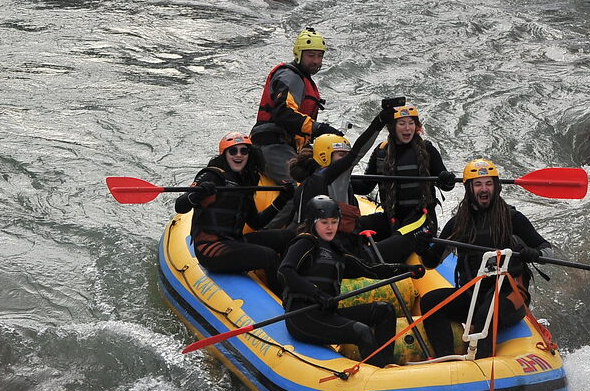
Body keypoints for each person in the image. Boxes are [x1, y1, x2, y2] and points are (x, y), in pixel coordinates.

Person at [419, 157, 550, 359]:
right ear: (469, 188)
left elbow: (548, 249)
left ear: (496, 187)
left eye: (489, 184)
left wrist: (536, 253)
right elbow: (431, 262)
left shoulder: (513, 219)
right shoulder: (457, 224)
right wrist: (421, 246)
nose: (484, 189)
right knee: (430, 301)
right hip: (473, 295)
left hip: (509, 296)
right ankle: (444, 357)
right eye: (478, 184)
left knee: (484, 315)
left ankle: (482, 363)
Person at [279, 196, 422, 367]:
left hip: (327, 313)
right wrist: (317, 294)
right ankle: (377, 374)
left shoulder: (336, 251)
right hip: (303, 317)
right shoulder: (305, 243)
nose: (330, 227)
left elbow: (371, 269)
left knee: (384, 310)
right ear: (313, 222)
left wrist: (406, 270)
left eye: (334, 222)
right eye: (324, 222)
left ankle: (386, 364)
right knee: (362, 332)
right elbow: (285, 271)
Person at [175, 132, 296, 281]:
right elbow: (180, 206)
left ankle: (292, 281)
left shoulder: (245, 182)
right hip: (210, 249)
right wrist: (196, 195)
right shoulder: (211, 176)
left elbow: (256, 223)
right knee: (269, 256)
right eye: (233, 151)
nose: (238, 155)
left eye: (244, 151)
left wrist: (282, 199)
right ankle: (285, 299)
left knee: (290, 237)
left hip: (235, 241)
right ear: (224, 154)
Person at [362, 99, 455, 263]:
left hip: (421, 222)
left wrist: (446, 179)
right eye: (402, 123)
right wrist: (339, 174)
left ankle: (365, 260)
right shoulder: (381, 152)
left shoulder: (427, 150)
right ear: (392, 127)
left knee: (373, 254)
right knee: (352, 227)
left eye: (411, 123)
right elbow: (364, 186)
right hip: (391, 218)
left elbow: (446, 184)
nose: (407, 128)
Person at [251, 29, 340, 183]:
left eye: (320, 56)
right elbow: (283, 112)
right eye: (311, 55)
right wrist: (317, 128)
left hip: (288, 145)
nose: (316, 61)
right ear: (299, 54)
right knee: (300, 189)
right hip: (272, 144)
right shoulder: (290, 76)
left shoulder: (301, 78)